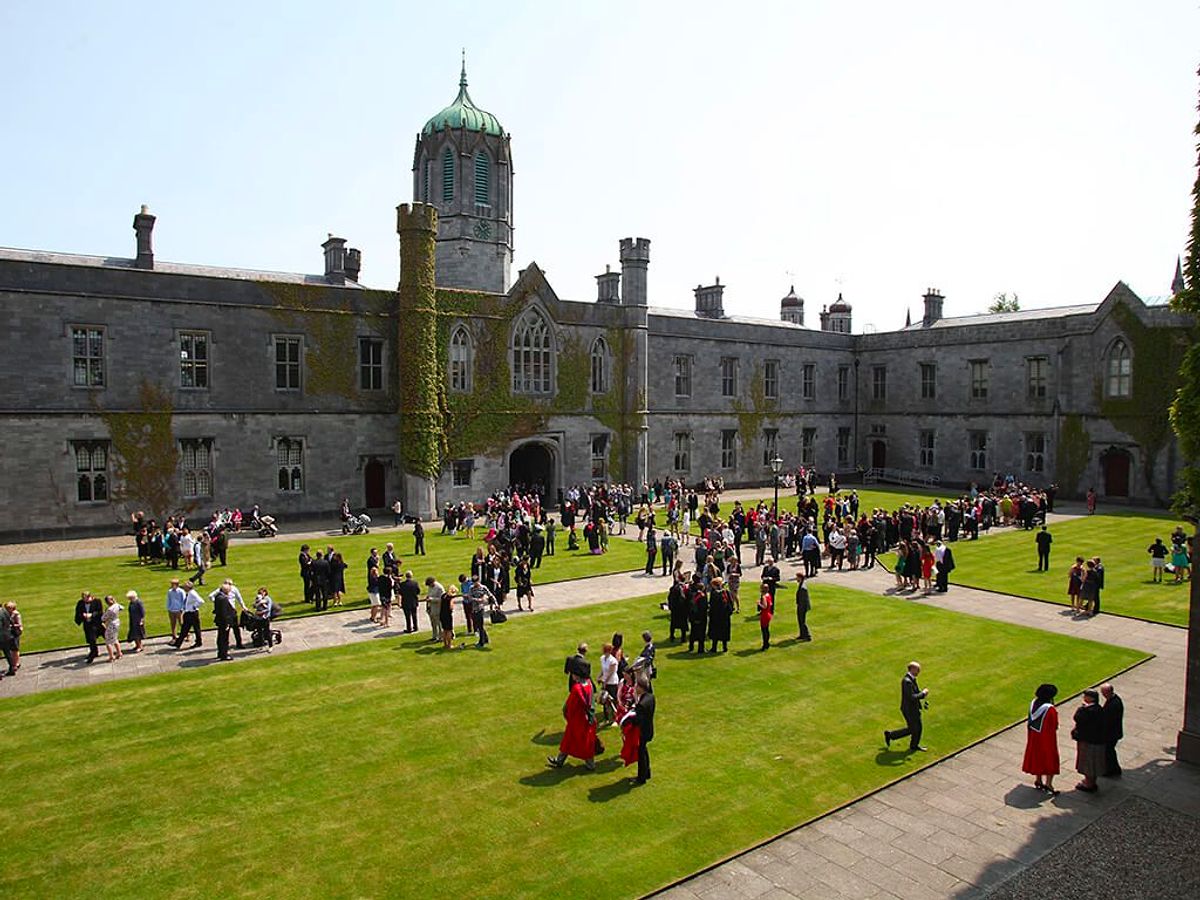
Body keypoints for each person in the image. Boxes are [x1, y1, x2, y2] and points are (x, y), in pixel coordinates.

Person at [547, 673, 598, 771]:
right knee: (571, 740)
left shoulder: (576, 688)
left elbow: (570, 705)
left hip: (578, 719)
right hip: (587, 718)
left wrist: (567, 715)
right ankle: (560, 760)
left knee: (582, 741)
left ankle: (590, 764)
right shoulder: (589, 684)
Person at [1021, 683, 1060, 795]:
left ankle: (1038, 780)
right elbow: (1054, 725)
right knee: (1050, 758)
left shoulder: (1033, 703)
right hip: (1047, 737)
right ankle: (1049, 784)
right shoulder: (1049, 709)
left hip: (1034, 736)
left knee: (1037, 756)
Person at [884, 661, 929, 752]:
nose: (919, 671)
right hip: (909, 710)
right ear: (912, 669)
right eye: (917, 669)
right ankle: (894, 736)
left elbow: (915, 692)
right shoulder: (907, 681)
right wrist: (923, 694)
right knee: (915, 728)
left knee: (915, 728)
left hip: (912, 708)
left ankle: (892, 736)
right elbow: (912, 697)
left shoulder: (911, 679)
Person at [1072, 689, 1105, 792]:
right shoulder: (1099, 709)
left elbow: (1077, 718)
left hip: (1088, 740)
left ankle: (1089, 784)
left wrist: (1082, 708)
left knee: (1088, 762)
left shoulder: (1089, 711)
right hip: (1095, 740)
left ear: (1091, 698)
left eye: (1086, 696)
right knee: (1092, 763)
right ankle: (1091, 782)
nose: (1084, 698)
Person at [629, 674, 656, 785]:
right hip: (649, 729)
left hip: (643, 732)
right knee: (644, 751)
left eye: (637, 686)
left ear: (641, 687)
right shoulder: (650, 697)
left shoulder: (642, 704)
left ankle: (641, 778)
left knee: (641, 754)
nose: (635, 687)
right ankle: (647, 772)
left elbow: (637, 720)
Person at [1100, 683, 1124, 777]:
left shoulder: (1113, 704)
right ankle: (1114, 769)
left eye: (1103, 693)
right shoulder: (1114, 700)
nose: (1102, 695)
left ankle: (1111, 770)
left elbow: (1108, 720)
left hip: (1111, 733)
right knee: (1110, 751)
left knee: (1108, 752)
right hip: (1113, 732)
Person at [172, 581, 204, 648]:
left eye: (185, 586)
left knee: (188, 628)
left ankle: (179, 643)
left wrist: (194, 606)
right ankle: (179, 643)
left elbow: (201, 601)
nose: (183, 587)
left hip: (191, 613)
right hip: (189, 613)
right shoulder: (189, 593)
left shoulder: (192, 593)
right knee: (187, 628)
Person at [74, 590, 104, 663]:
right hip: (87, 624)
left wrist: (92, 615)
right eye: (83, 599)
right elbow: (78, 612)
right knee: (91, 639)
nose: (84, 600)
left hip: (97, 623)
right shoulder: (80, 603)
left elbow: (100, 612)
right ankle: (94, 652)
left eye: (86, 598)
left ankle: (116, 650)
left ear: (89, 597)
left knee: (107, 636)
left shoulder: (97, 601)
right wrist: (83, 615)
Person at [211, 582, 237, 661]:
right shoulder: (223, 599)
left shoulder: (218, 597)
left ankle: (220, 653)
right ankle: (224, 654)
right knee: (224, 638)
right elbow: (224, 612)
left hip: (220, 620)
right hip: (223, 621)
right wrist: (227, 623)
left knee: (221, 637)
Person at [707, 576, 733, 653]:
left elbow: (712, 605)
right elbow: (730, 603)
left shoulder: (714, 594)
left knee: (715, 632)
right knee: (724, 631)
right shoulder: (726, 592)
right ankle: (725, 648)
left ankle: (714, 648)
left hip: (716, 616)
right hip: (725, 616)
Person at [101, 594, 124, 662]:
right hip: (117, 622)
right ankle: (119, 653)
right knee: (115, 638)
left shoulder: (109, 609)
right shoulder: (117, 605)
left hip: (111, 624)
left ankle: (111, 656)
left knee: (108, 641)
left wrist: (104, 612)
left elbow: (103, 618)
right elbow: (122, 608)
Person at [424, 576, 444, 643]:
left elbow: (442, 599)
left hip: (438, 608)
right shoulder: (430, 587)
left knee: (439, 623)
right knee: (433, 623)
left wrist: (432, 599)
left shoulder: (439, 588)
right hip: (431, 608)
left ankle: (441, 637)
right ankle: (434, 636)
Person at [795, 572, 812, 642]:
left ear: (800, 578)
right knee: (800, 621)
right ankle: (802, 634)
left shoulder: (802, 588)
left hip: (802, 607)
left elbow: (803, 600)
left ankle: (807, 635)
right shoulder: (802, 585)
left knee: (802, 621)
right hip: (801, 606)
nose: (796, 579)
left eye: (797, 577)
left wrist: (800, 607)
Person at [757, 582, 774, 651]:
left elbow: (764, 606)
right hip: (768, 613)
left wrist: (758, 603)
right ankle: (767, 643)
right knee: (766, 629)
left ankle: (765, 644)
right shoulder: (769, 595)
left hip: (764, 615)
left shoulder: (764, 597)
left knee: (764, 630)